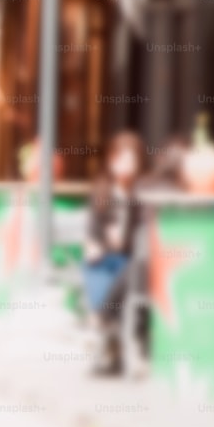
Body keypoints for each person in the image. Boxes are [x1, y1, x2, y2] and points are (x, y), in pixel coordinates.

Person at [82, 131, 145, 376]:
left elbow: (138, 240)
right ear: (112, 161)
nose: (126, 166)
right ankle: (110, 335)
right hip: (103, 263)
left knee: (134, 268)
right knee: (118, 272)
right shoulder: (102, 192)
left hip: (127, 264)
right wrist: (97, 245)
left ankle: (101, 317)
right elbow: (92, 234)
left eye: (132, 160)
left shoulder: (140, 198)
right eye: (121, 159)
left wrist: (122, 240)